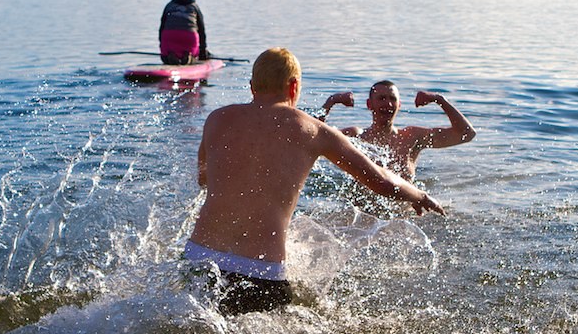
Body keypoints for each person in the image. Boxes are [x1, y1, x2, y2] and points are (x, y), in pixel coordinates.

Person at [184, 48, 444, 316]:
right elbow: (380, 181)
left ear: (253, 86)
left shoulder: (216, 119)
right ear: (294, 86)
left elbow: (204, 179)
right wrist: (419, 195)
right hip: (260, 271)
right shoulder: (311, 129)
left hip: (199, 258)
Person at [318, 81, 476, 181]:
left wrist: (439, 99)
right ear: (369, 104)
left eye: (392, 99)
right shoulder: (354, 136)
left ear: (399, 105)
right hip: (361, 220)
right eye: (381, 99)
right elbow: (311, 138)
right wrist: (331, 101)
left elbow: (466, 134)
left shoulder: (412, 137)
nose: (388, 104)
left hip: (402, 219)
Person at [159, 0, 208, 65]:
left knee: (165, 56)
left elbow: (162, 27)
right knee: (195, 54)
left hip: (169, 36)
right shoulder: (194, 7)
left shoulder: (169, 6)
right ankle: (189, 56)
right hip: (189, 37)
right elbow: (201, 29)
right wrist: (203, 50)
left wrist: (162, 46)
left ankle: (170, 56)